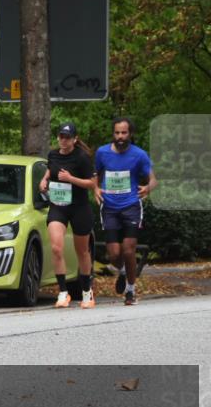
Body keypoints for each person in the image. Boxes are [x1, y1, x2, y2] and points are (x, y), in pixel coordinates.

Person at [94, 117, 157, 306]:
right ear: (113, 134)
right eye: (117, 133)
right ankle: (121, 271)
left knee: (129, 250)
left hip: (131, 206)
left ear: (130, 134)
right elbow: (96, 175)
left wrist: (147, 188)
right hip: (110, 208)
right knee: (114, 254)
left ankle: (130, 290)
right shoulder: (102, 153)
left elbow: (153, 179)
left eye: (124, 133)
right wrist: (95, 189)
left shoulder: (139, 155)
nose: (120, 136)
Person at [39, 122, 97, 308]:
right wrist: (44, 179)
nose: (63, 140)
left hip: (79, 207)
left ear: (75, 139)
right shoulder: (53, 154)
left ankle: (87, 291)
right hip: (58, 206)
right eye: (61, 136)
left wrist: (71, 179)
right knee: (56, 248)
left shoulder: (82, 157)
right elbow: (51, 169)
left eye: (67, 137)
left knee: (82, 251)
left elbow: (92, 183)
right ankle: (63, 292)